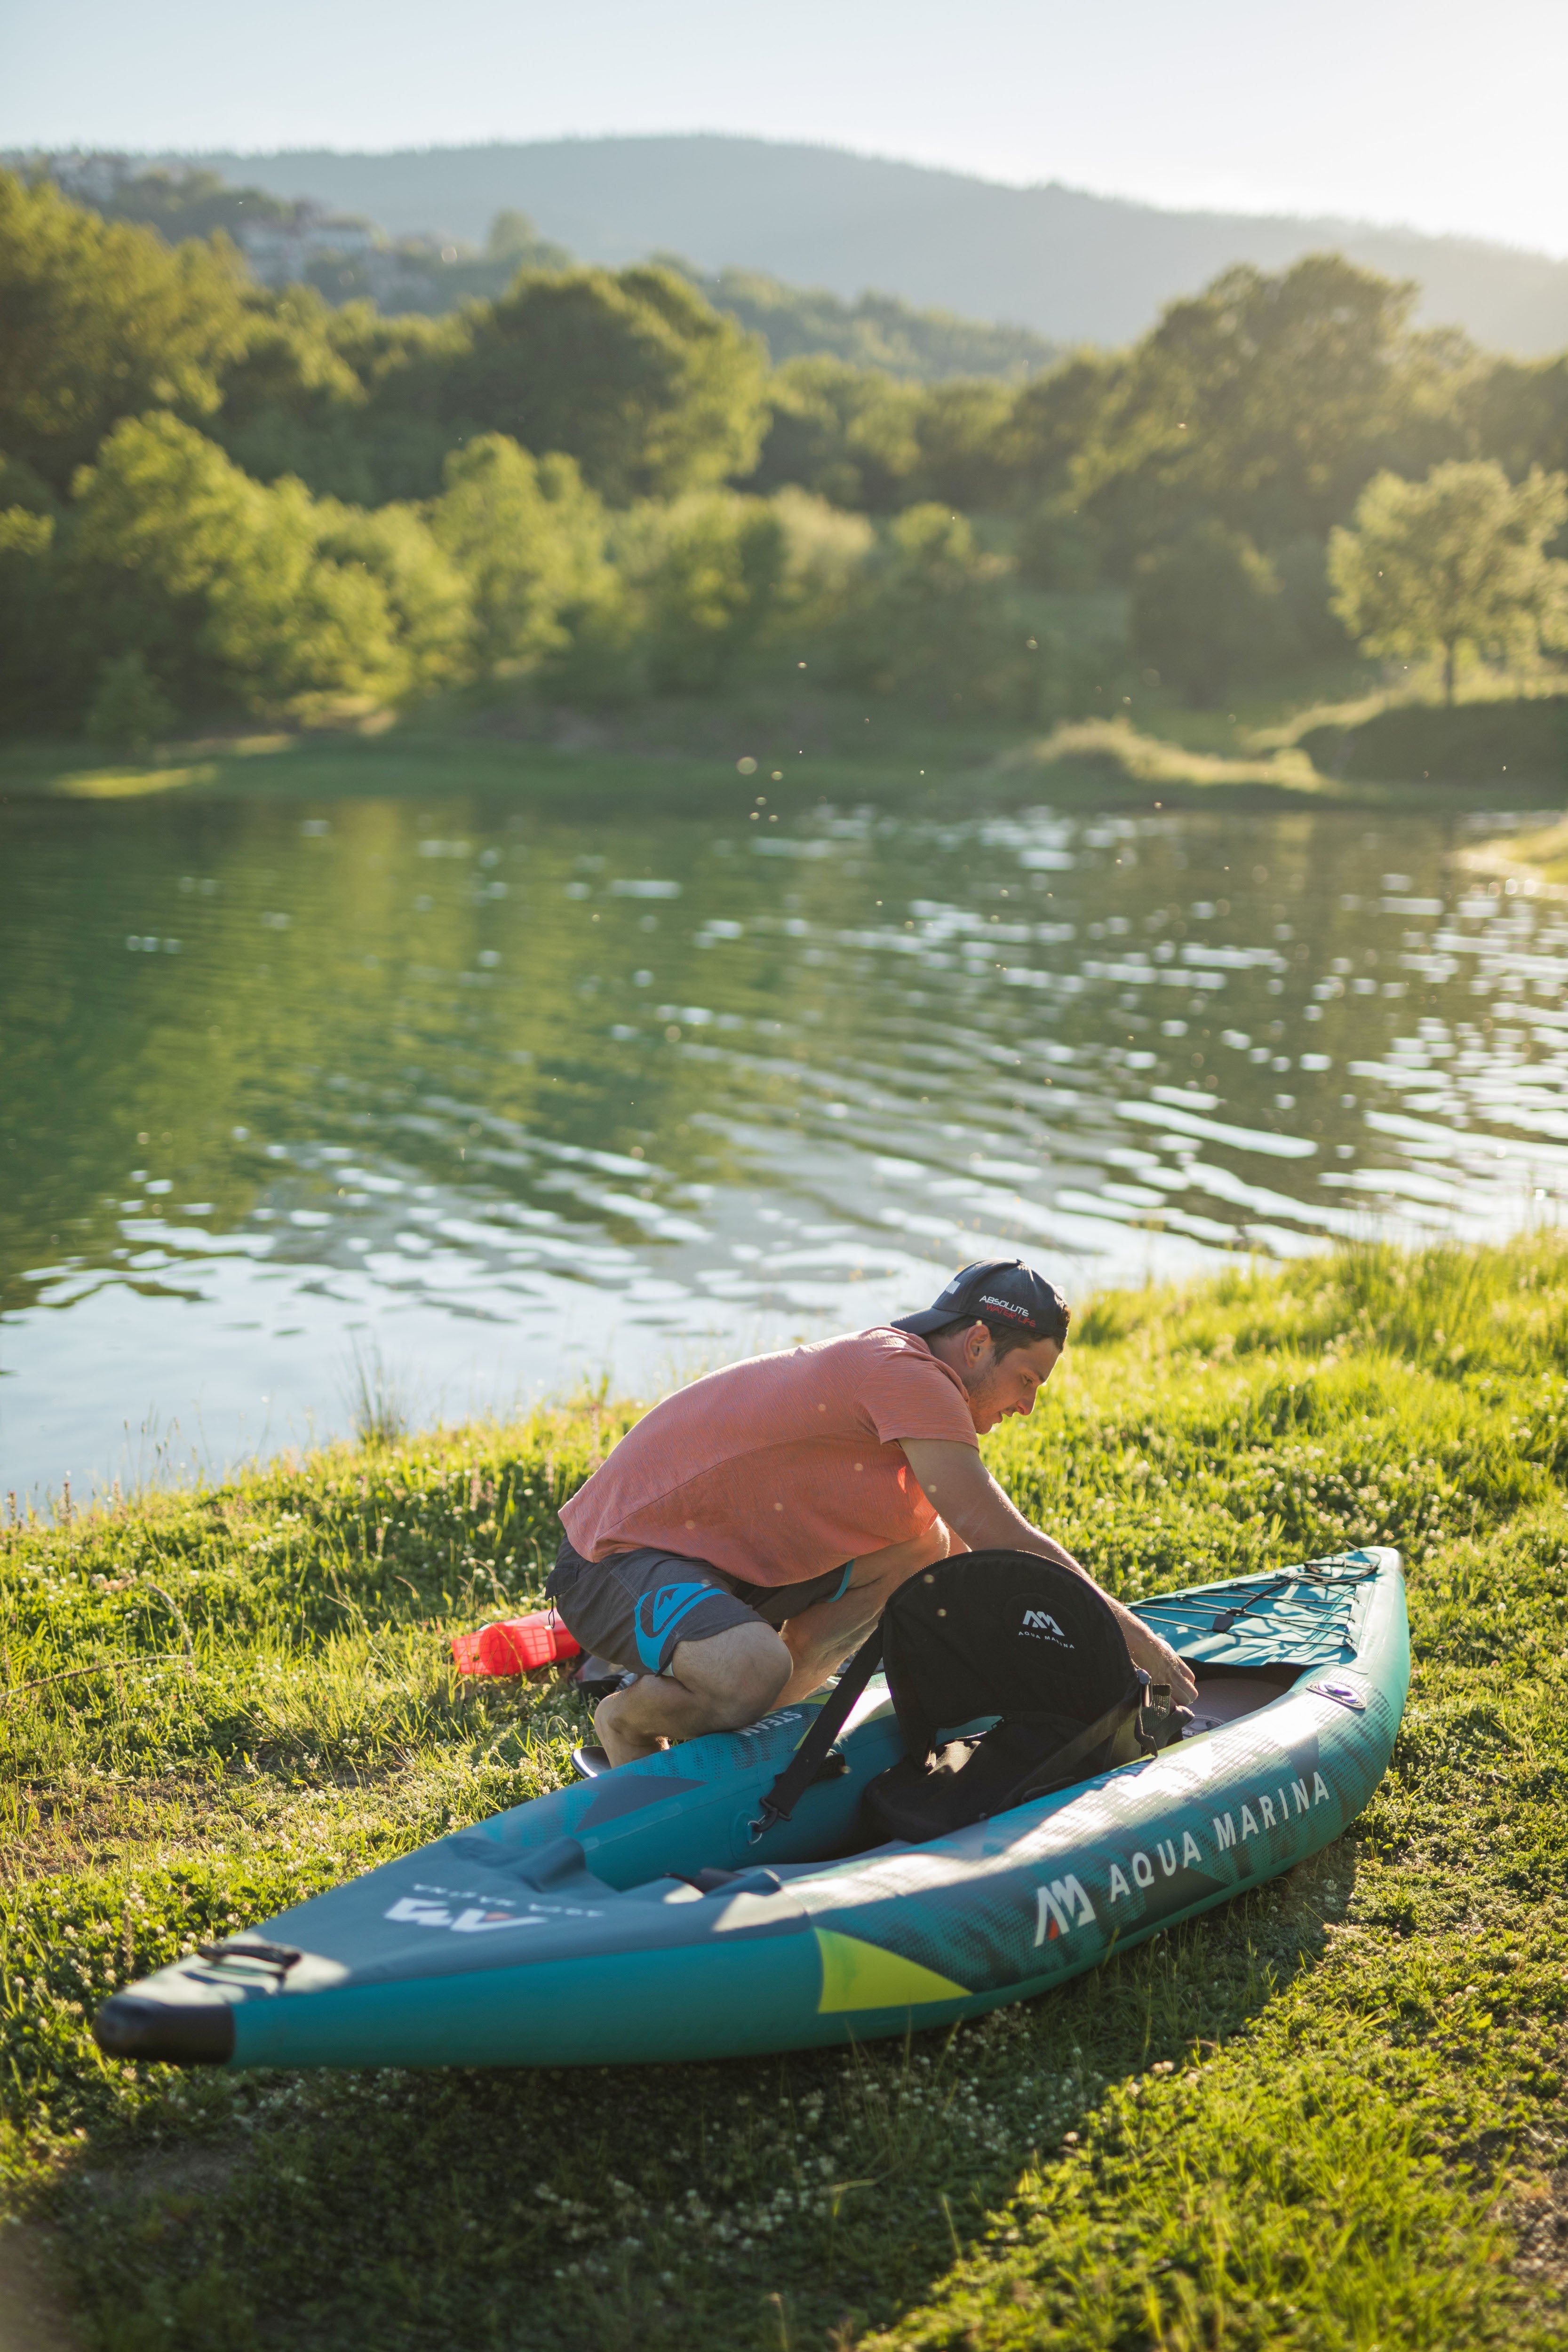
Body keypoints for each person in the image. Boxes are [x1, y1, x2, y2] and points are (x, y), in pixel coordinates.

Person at [546, 1258, 1199, 1767]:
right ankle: (629, 1721)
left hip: (709, 1568)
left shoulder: (904, 1377)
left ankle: (743, 1722)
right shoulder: (905, 1374)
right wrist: (1137, 1641)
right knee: (752, 1669)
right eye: (1027, 1380)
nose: (1027, 1407)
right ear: (977, 1344)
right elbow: (1002, 1535)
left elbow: (973, 1557)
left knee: (920, 1544)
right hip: (609, 1564)